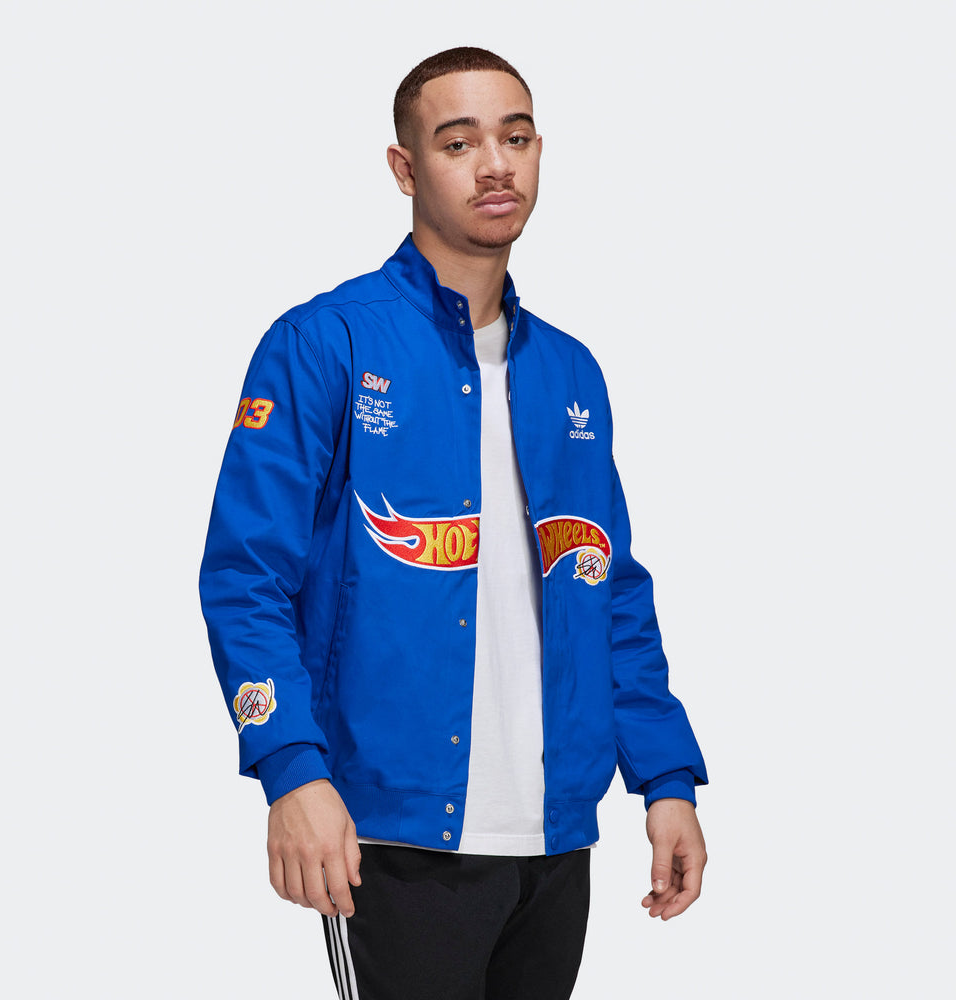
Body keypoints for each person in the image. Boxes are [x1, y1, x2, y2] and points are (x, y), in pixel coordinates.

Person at [200, 46, 708, 1000]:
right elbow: (245, 579)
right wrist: (291, 770)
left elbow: (609, 591)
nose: (495, 165)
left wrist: (666, 777)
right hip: (391, 836)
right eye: (459, 142)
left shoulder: (571, 372)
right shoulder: (325, 342)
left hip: (555, 839)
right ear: (405, 168)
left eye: (515, 138)